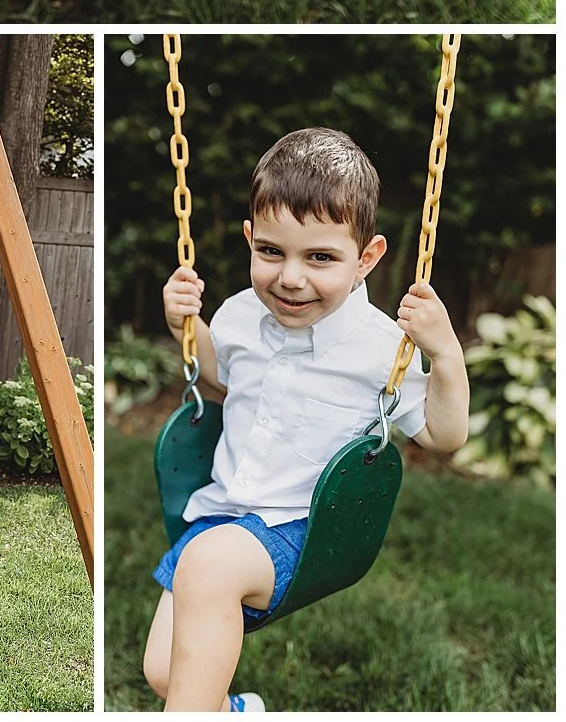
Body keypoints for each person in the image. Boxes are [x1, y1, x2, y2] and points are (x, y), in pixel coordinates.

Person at [143, 128, 471, 712]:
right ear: (250, 239)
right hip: (219, 515)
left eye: (320, 257)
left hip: (304, 529)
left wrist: (444, 355)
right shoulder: (240, 316)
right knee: (168, 675)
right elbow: (220, 379)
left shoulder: (382, 348)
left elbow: (444, 436)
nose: (291, 277)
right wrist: (184, 328)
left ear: (366, 257)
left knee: (210, 569)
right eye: (271, 252)